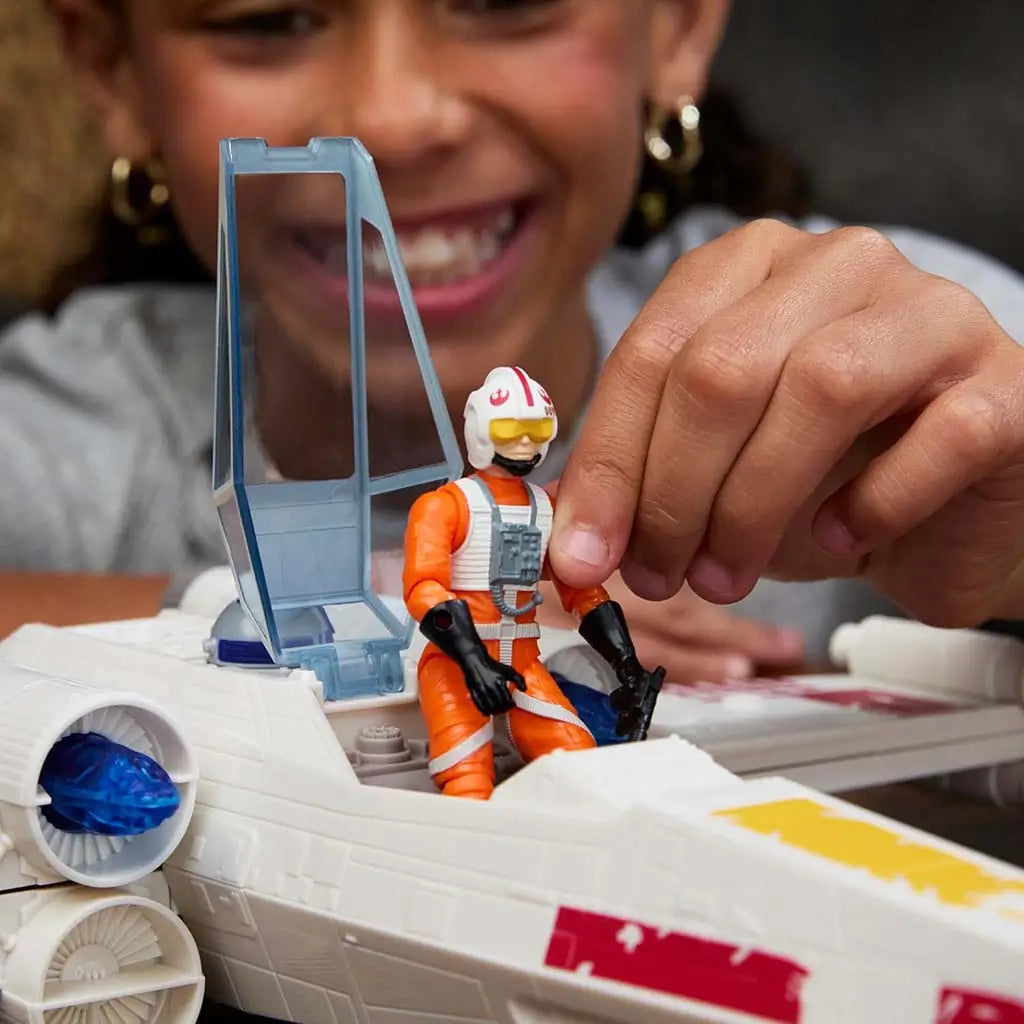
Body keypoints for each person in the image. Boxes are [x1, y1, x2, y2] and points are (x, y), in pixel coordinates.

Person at [4, 0, 1024, 680]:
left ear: (673, 24)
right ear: (114, 71)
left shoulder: (917, 356)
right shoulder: (63, 446)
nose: (394, 120)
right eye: (269, 17)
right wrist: (315, 619)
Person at [403, 365, 662, 799]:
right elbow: (424, 588)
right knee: (466, 779)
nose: (524, 443)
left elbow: (582, 592)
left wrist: (626, 663)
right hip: (455, 668)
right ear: (484, 432)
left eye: (536, 429)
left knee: (576, 761)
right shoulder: (445, 507)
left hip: (523, 662)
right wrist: (473, 663)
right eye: (509, 430)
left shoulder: (547, 508)